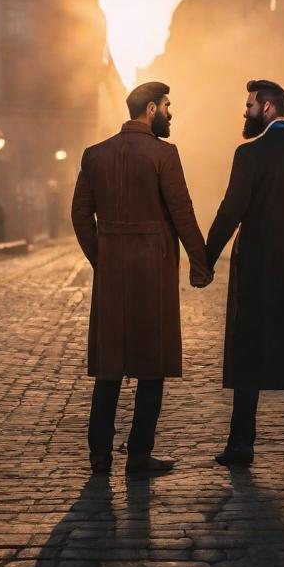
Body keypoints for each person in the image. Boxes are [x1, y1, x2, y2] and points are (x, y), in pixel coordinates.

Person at [72, 80, 212, 477]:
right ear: (151, 109)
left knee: (110, 364)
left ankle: (99, 455)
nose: (170, 113)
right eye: (167, 106)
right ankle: (138, 455)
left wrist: (102, 257)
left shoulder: (94, 155)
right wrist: (200, 264)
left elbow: (80, 214)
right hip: (154, 269)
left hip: (113, 271)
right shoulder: (163, 154)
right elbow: (182, 211)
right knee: (152, 364)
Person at [206, 79, 284, 472]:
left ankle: (242, 445)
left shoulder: (250, 155)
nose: (244, 112)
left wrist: (206, 259)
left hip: (258, 265)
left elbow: (231, 210)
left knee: (249, 351)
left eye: (249, 106)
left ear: (267, 108)